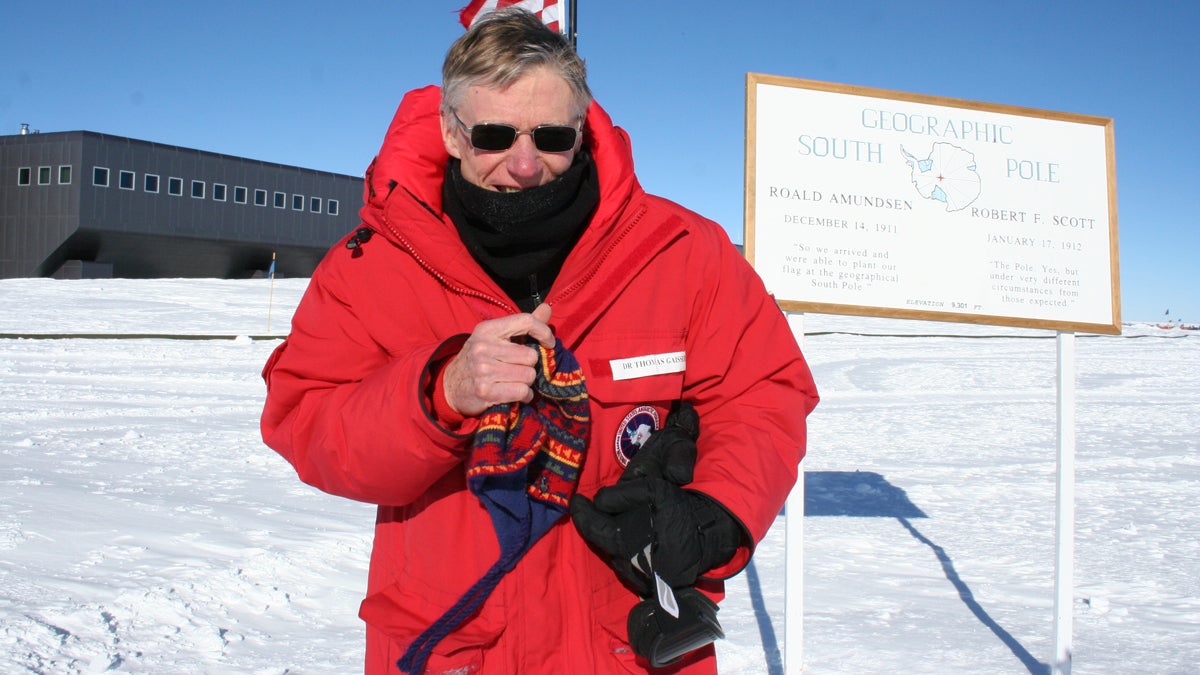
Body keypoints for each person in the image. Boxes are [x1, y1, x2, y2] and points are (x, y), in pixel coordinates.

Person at [260, 8, 818, 674]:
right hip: (452, 647)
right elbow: (306, 417)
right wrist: (439, 392)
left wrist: (717, 512)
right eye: (495, 134)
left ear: (580, 131)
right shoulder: (371, 267)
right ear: (451, 130)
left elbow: (763, 390)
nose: (524, 165)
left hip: (629, 649)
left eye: (550, 136)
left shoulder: (681, 250)